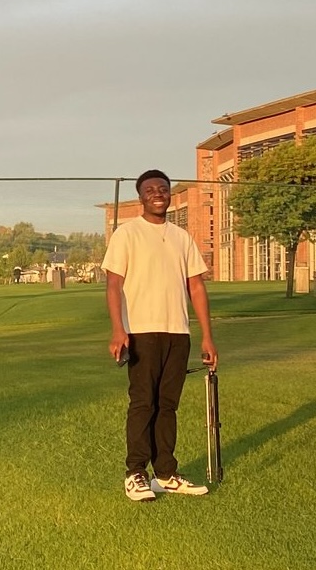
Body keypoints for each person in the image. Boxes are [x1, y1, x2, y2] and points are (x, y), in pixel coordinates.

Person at [103, 169, 217, 501]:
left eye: (163, 189)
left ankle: (165, 474)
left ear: (169, 195)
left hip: (177, 332)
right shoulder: (127, 234)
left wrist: (207, 336)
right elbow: (113, 284)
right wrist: (117, 329)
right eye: (151, 189)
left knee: (168, 405)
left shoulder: (182, 237)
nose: (158, 193)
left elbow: (195, 286)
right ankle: (136, 473)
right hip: (140, 331)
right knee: (143, 403)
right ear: (141, 197)